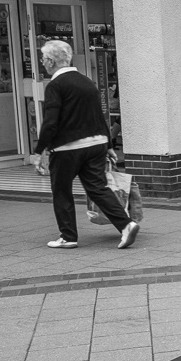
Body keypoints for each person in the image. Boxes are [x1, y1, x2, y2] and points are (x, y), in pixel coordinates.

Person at [29, 40, 140, 250]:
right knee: (98, 188)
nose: (43, 62)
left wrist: (38, 151)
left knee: (62, 191)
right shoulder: (88, 82)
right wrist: (108, 145)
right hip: (96, 144)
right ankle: (126, 225)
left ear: (51, 61)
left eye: (43, 58)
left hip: (67, 148)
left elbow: (51, 122)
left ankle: (68, 236)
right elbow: (99, 115)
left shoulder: (56, 85)